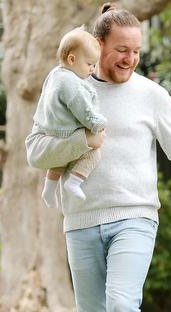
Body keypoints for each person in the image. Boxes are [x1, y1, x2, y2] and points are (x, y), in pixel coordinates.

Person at [24, 3, 171, 312]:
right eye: (122, 50)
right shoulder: (64, 87)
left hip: (134, 217)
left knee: (122, 307)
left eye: (136, 51)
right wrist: (82, 142)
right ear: (98, 44)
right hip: (80, 222)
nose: (130, 59)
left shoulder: (149, 94)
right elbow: (35, 151)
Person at [35, 26, 107, 207]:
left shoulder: (55, 74)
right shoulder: (72, 84)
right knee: (94, 154)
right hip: (67, 131)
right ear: (72, 59)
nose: (92, 69)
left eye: (94, 65)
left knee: (61, 159)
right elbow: (83, 110)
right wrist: (98, 124)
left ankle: (49, 188)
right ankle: (74, 182)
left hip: (53, 129)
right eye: (89, 64)